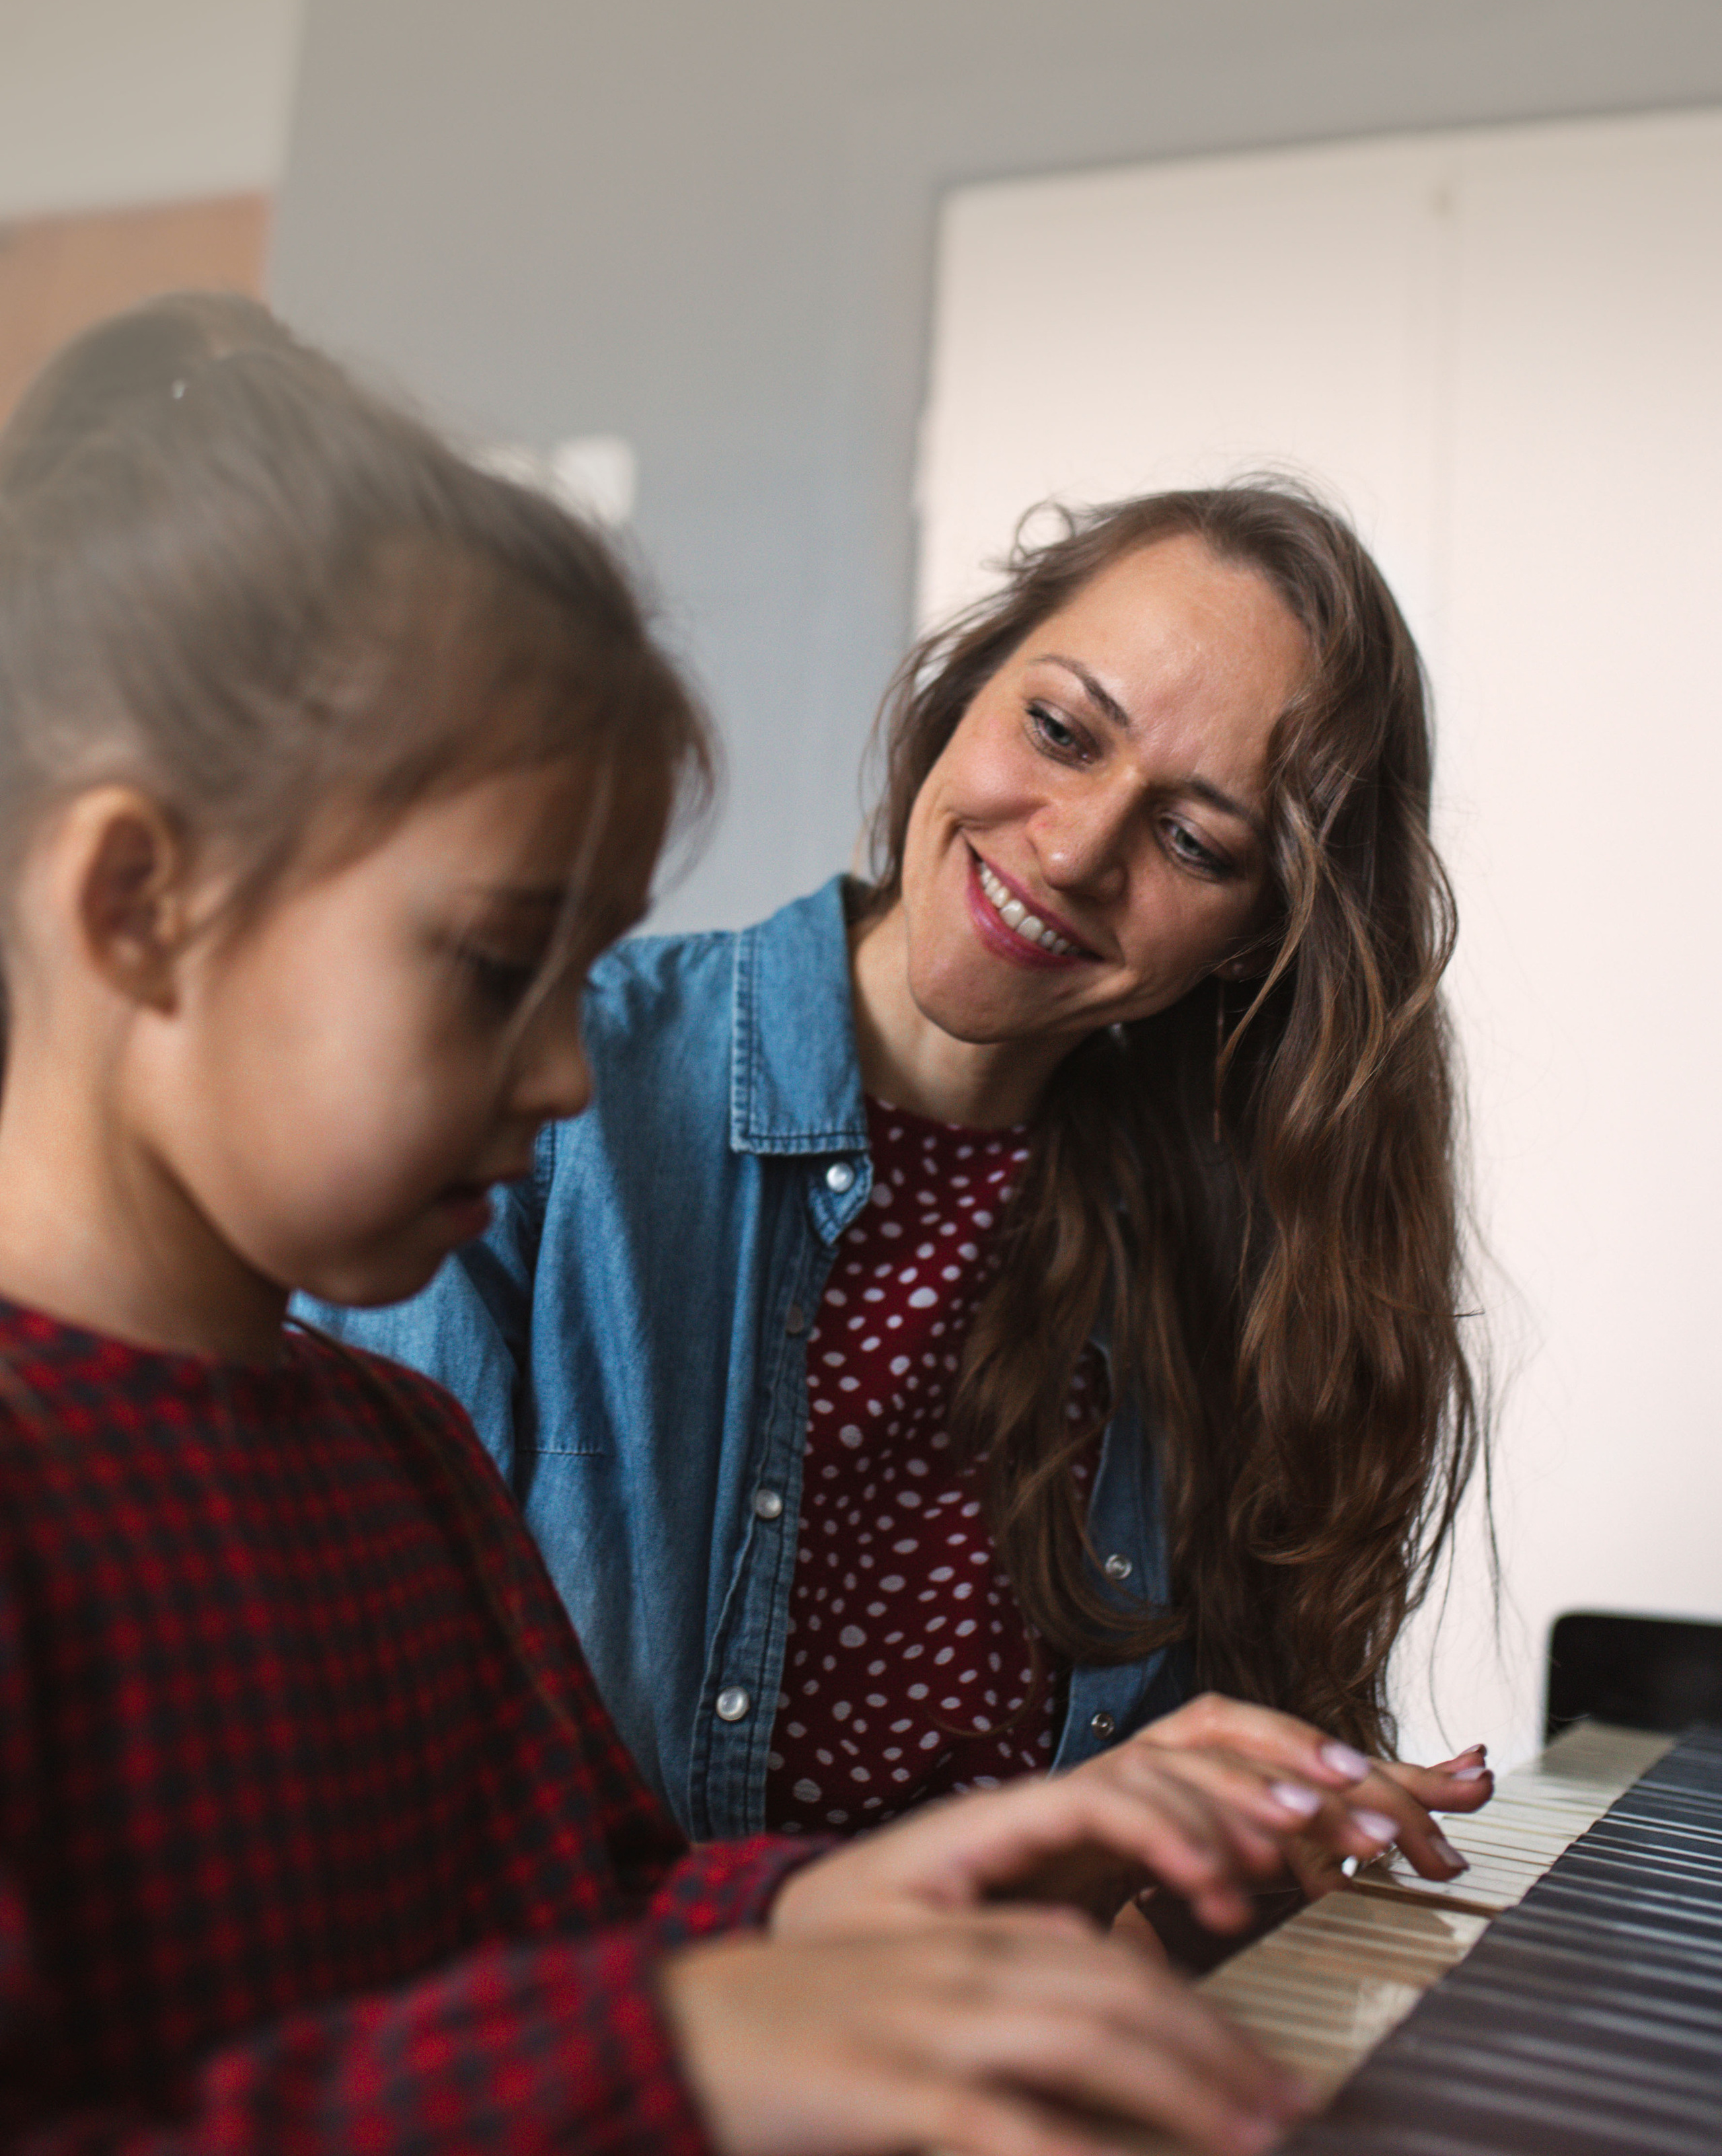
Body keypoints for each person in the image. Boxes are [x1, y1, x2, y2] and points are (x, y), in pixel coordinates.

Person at [0, 295, 1348, 2156]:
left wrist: (857, 1898)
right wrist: (681, 2063)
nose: (563, 1072)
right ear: (142, 901)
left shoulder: (394, 1461)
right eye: (489, 966)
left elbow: (585, 1900)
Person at [316, 480, 1495, 1881]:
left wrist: (1236, 1860)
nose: (1069, 851)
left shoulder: (1236, 1248)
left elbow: (1150, 1899)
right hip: (630, 2068)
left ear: (1251, 943)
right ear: (964, 689)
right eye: (1057, 730)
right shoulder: (539, 1100)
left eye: (1193, 842)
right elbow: (362, 1810)